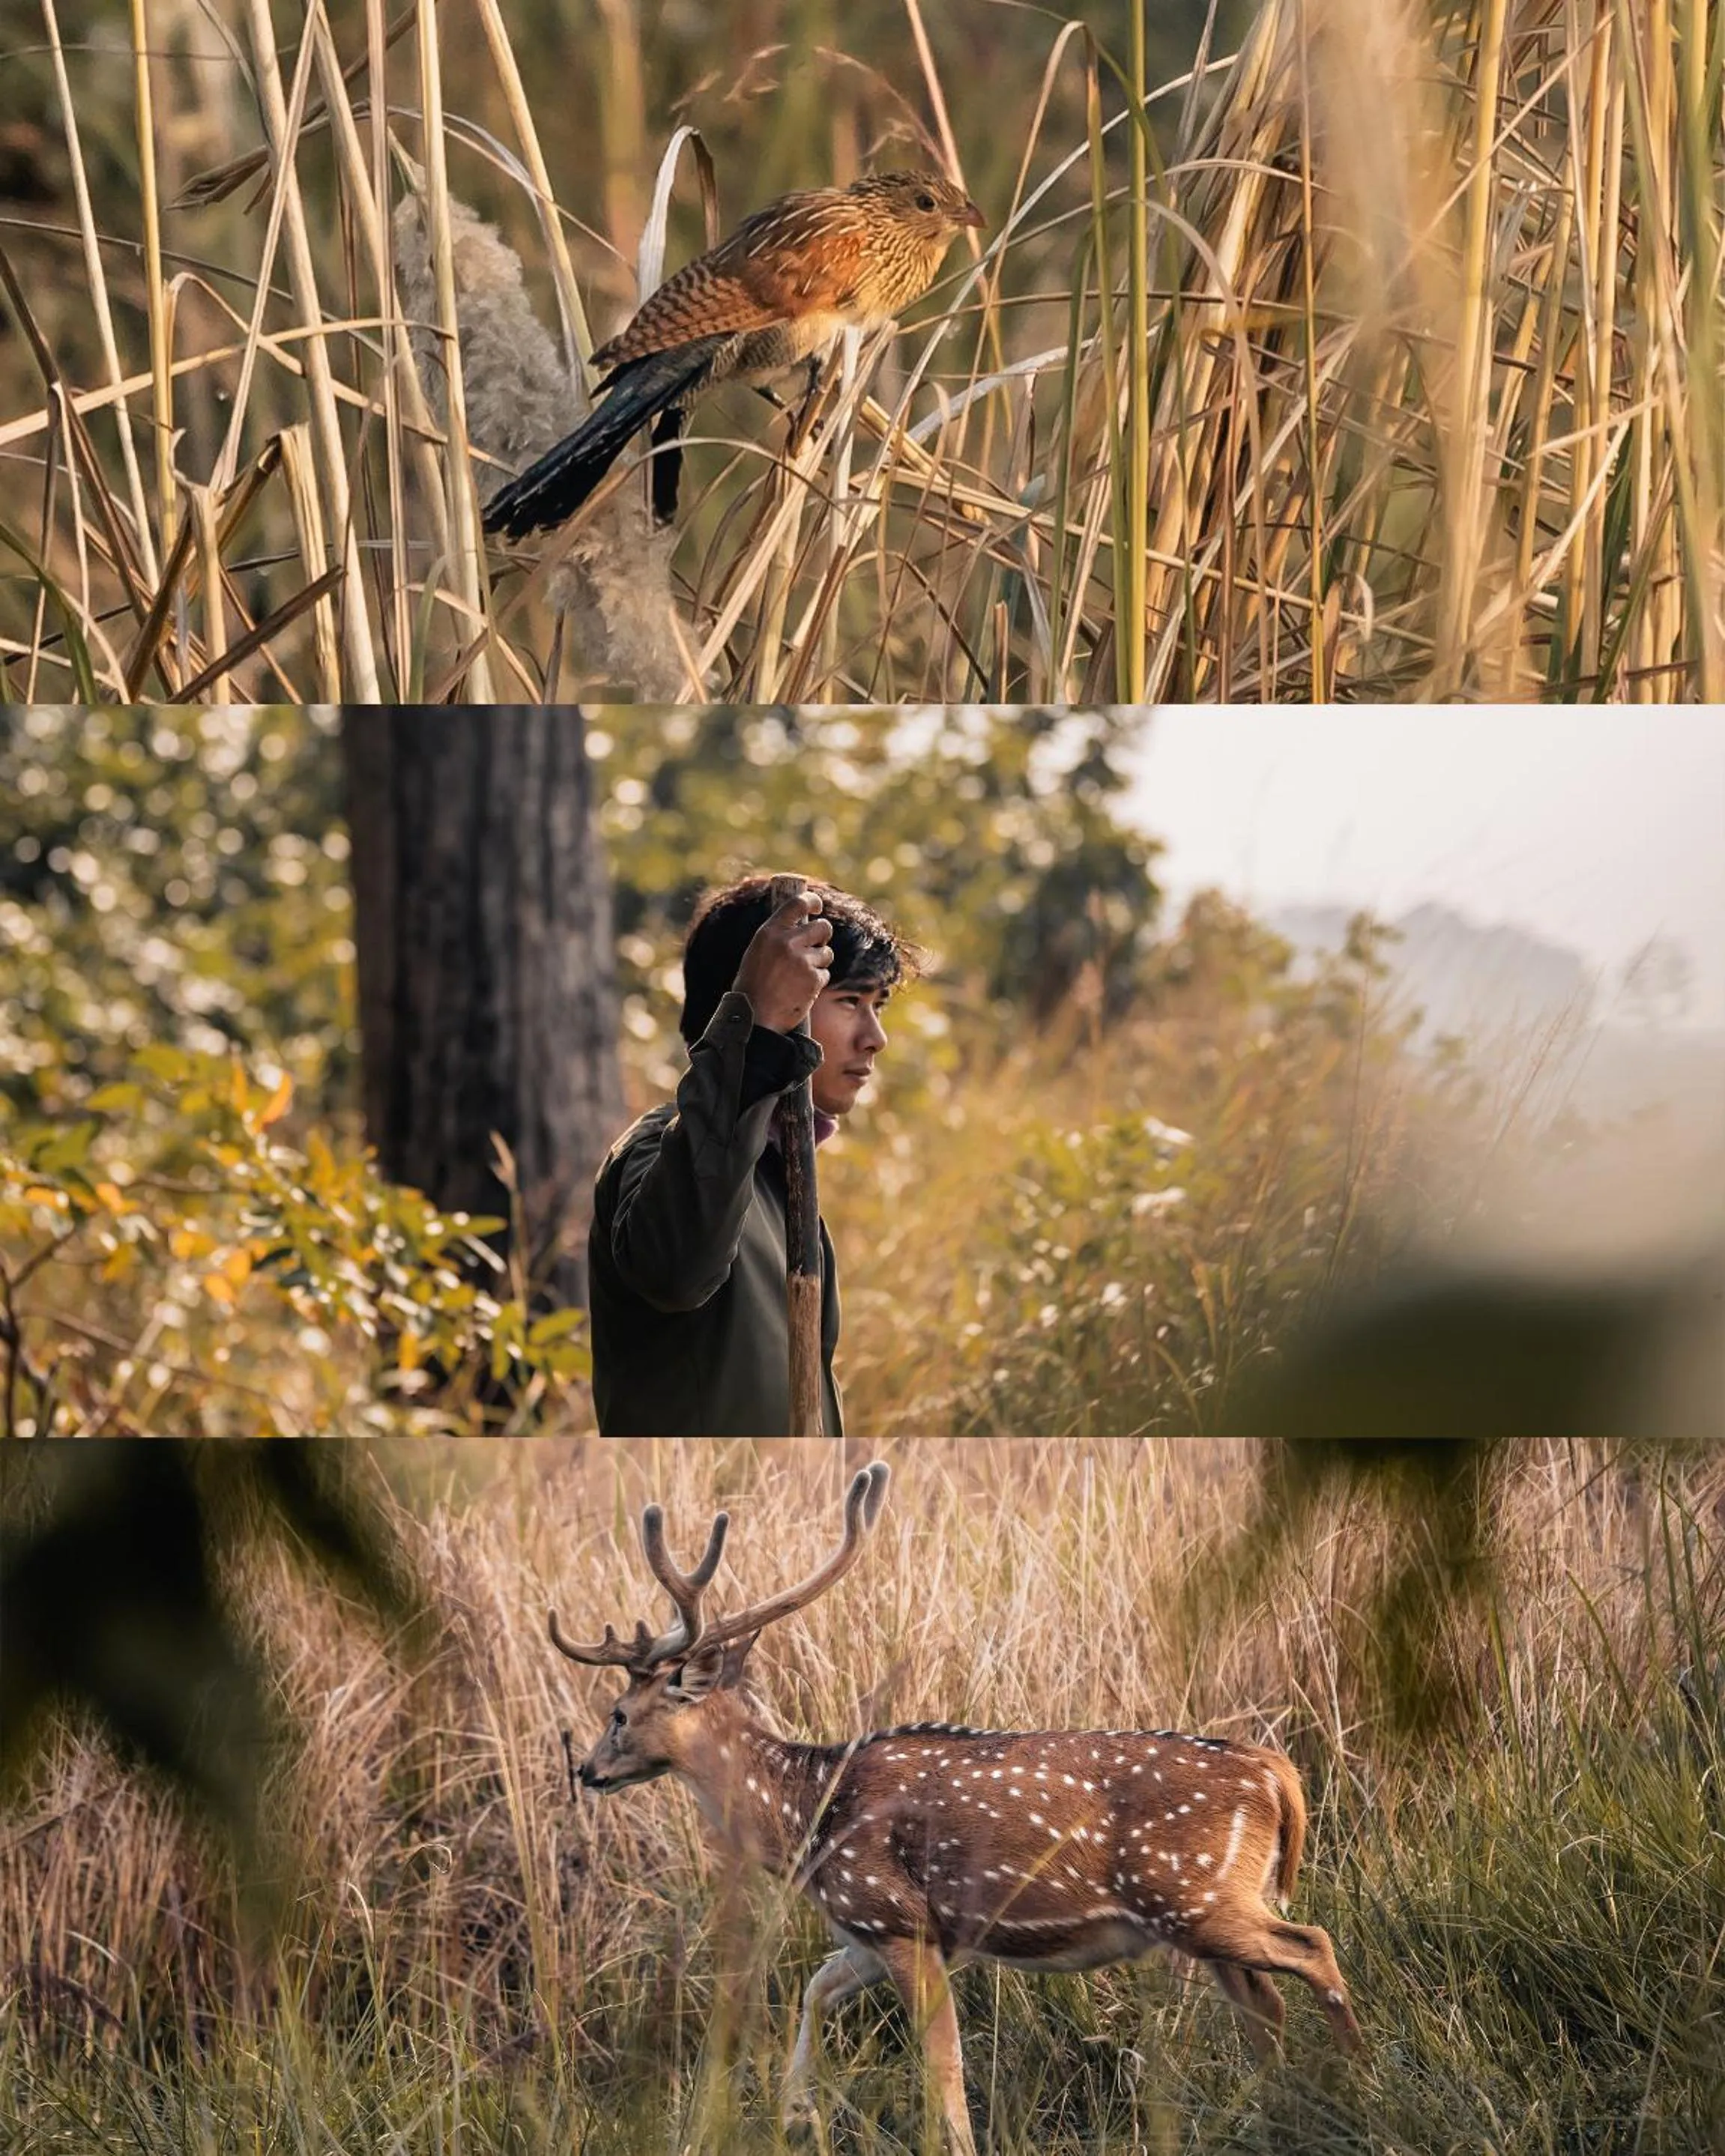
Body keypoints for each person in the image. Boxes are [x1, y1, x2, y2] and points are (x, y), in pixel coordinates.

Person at [587, 875, 923, 1435]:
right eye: (849, 1001)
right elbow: (677, 1271)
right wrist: (758, 1029)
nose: (875, 1037)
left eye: (878, 1004)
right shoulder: (661, 1154)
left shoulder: (775, 1175)